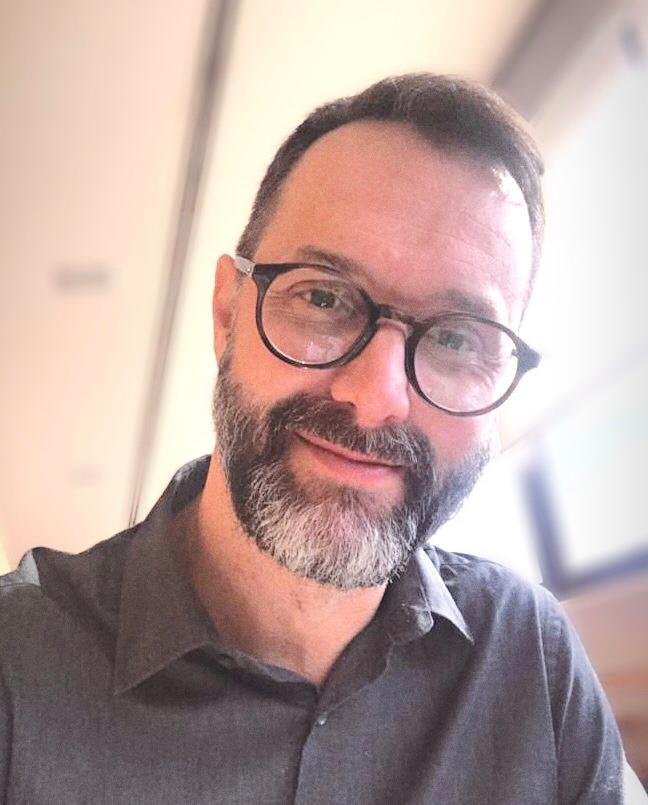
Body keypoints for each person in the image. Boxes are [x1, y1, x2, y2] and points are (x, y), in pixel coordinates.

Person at [0, 74, 641, 804]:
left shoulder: (533, 661)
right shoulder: (19, 666)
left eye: (458, 338)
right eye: (325, 296)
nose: (375, 398)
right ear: (227, 312)